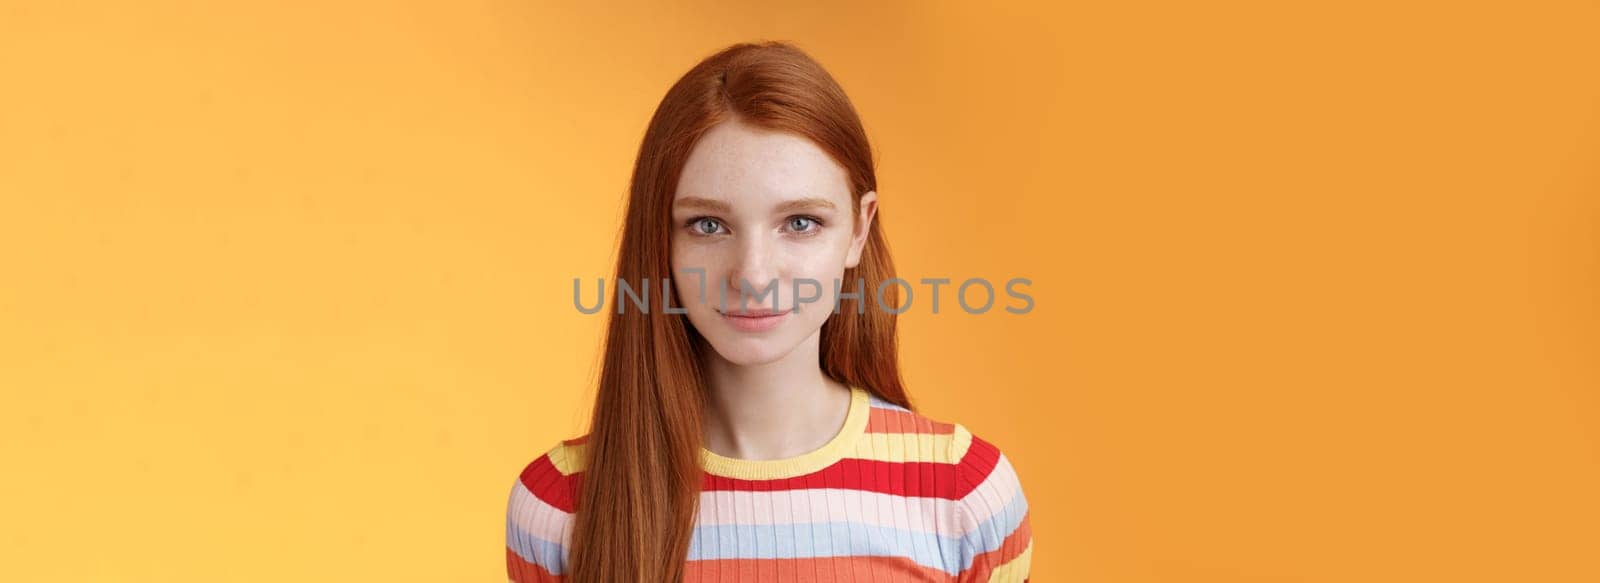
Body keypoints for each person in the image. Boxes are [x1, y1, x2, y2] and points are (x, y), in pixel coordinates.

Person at [506, 40, 1033, 582]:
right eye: (707, 225)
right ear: (658, 239)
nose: (753, 275)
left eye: (800, 222)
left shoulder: (965, 494)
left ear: (858, 229)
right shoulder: (558, 508)